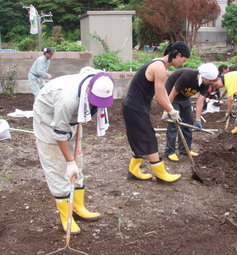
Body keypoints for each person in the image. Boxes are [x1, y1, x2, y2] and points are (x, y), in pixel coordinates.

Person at [33, 68, 114, 234]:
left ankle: (78, 206)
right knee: (57, 166)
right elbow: (59, 133)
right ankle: (66, 216)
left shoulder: (101, 80)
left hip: (74, 116)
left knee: (79, 162)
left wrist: (74, 161)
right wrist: (69, 162)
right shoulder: (68, 100)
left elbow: (88, 70)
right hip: (48, 118)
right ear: (89, 90)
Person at [122, 41, 190, 183]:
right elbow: (158, 97)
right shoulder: (159, 68)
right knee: (149, 138)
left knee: (139, 138)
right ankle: (161, 175)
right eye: (183, 60)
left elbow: (162, 91)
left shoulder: (158, 63)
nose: (183, 63)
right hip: (135, 108)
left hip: (135, 106)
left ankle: (133, 170)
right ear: (178, 55)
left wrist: (170, 108)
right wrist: (171, 111)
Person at [163, 63, 220, 161]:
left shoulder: (205, 83)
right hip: (172, 96)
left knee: (188, 122)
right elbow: (173, 93)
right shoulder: (187, 76)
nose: (212, 83)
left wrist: (198, 120)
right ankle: (170, 151)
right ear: (205, 77)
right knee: (174, 123)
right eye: (211, 80)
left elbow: (200, 101)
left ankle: (185, 149)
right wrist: (167, 109)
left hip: (185, 98)